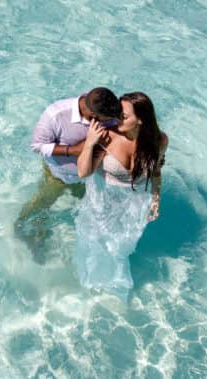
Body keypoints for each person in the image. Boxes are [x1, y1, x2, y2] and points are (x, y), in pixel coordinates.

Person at [72, 91, 168, 295]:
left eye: (123, 116)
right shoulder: (107, 136)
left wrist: (156, 198)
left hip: (135, 200)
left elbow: (156, 171)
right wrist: (90, 142)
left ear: (140, 120)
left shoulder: (159, 140)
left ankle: (115, 286)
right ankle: (91, 286)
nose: (116, 119)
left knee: (121, 246)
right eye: (117, 114)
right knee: (94, 241)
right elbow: (83, 172)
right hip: (103, 197)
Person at [14, 87, 123, 261]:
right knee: (41, 205)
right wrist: (74, 150)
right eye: (108, 120)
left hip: (90, 176)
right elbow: (37, 146)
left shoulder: (107, 109)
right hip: (59, 176)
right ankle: (20, 229)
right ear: (92, 115)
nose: (114, 121)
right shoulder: (56, 114)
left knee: (95, 210)